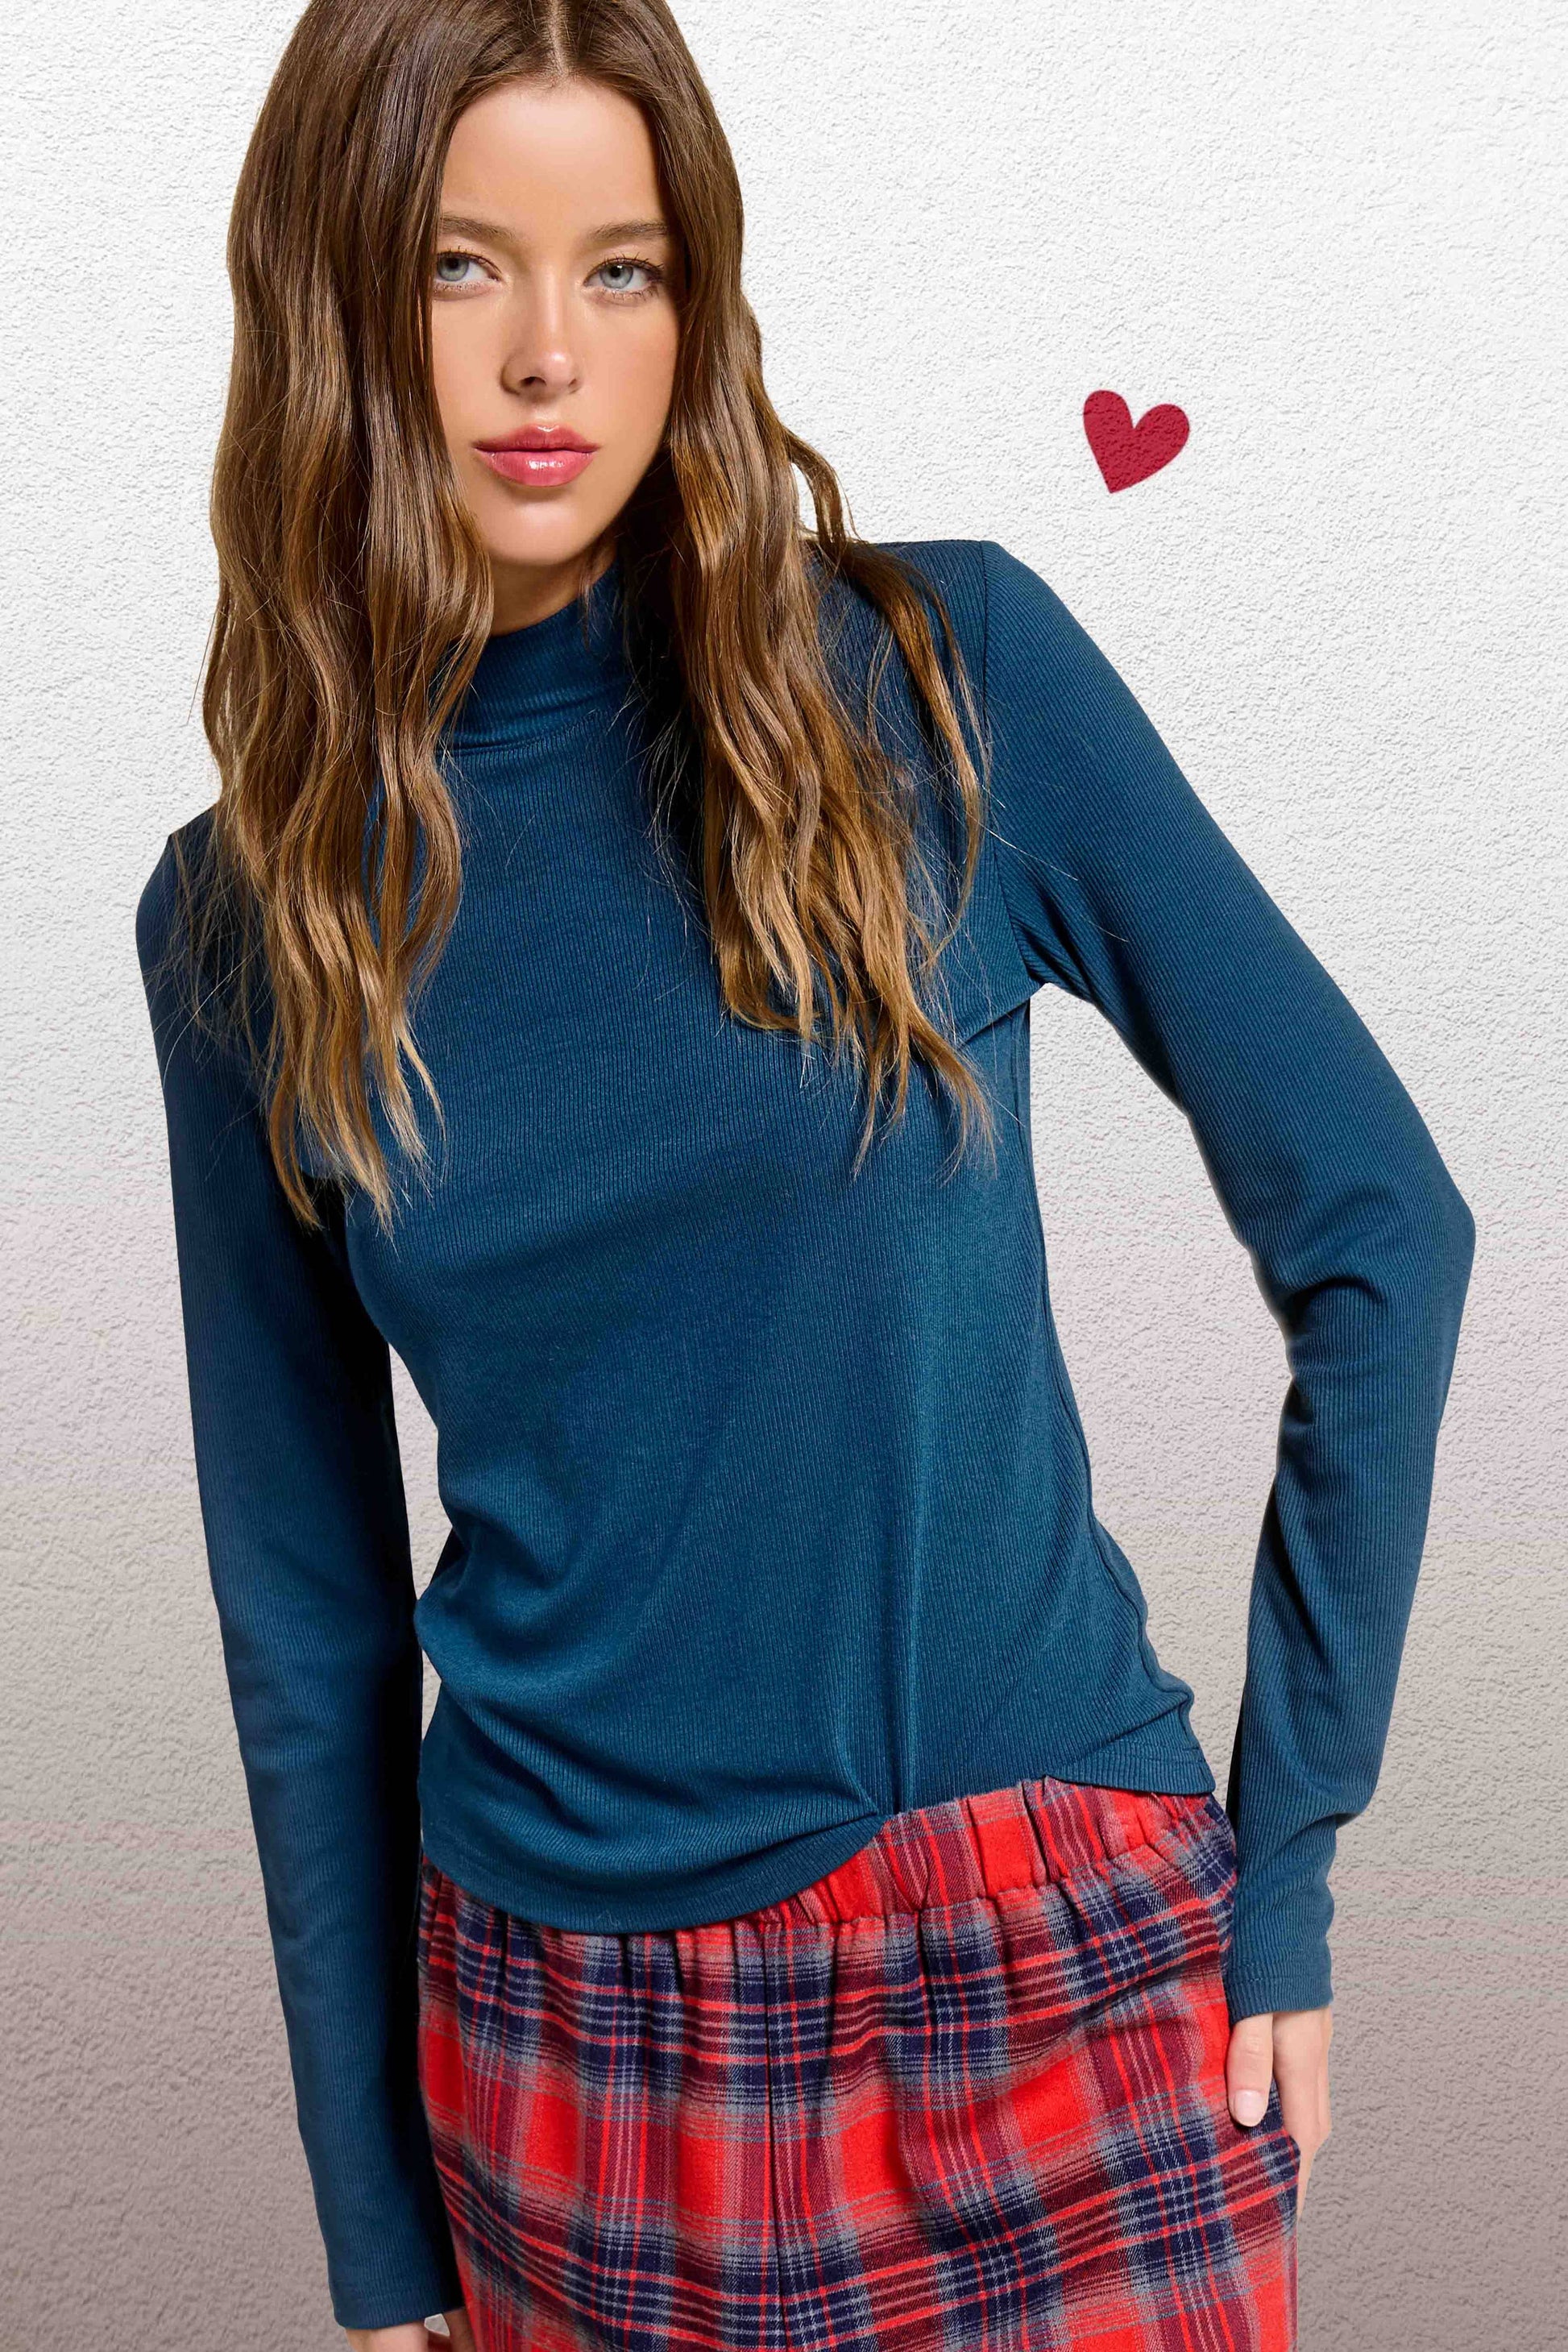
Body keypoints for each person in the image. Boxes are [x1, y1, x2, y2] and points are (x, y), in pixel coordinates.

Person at [134, 3, 1475, 2347]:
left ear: (697, 303)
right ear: (336, 296)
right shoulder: (250, 914)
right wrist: (372, 2219)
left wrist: (1291, 1856)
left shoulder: (941, 673)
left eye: (622, 269)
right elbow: (305, 1610)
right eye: (458, 264)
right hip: (566, 2038)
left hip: (1047, 1953)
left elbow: (1382, 1222)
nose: (546, 357)